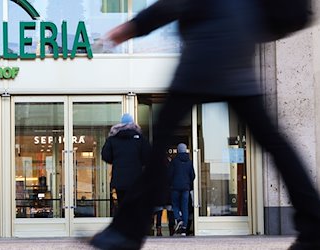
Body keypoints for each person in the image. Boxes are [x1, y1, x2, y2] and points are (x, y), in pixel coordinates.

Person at [90, 1, 320, 250]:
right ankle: (314, 225)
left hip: (208, 45)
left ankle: (126, 232)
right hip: (238, 41)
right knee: (275, 143)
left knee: (161, 139)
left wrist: (130, 28)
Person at [102, 113, 151, 207]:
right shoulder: (140, 139)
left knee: (122, 204)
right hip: (136, 178)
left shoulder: (113, 138)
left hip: (119, 178)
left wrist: (116, 161)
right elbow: (147, 157)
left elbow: (105, 155)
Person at [169, 143, 195, 236]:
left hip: (175, 187)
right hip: (186, 188)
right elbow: (193, 175)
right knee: (185, 208)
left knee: (175, 205)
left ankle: (178, 219)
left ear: (178, 150)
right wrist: (188, 183)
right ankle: (184, 229)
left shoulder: (174, 161)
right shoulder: (190, 162)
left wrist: (171, 183)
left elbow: (170, 174)